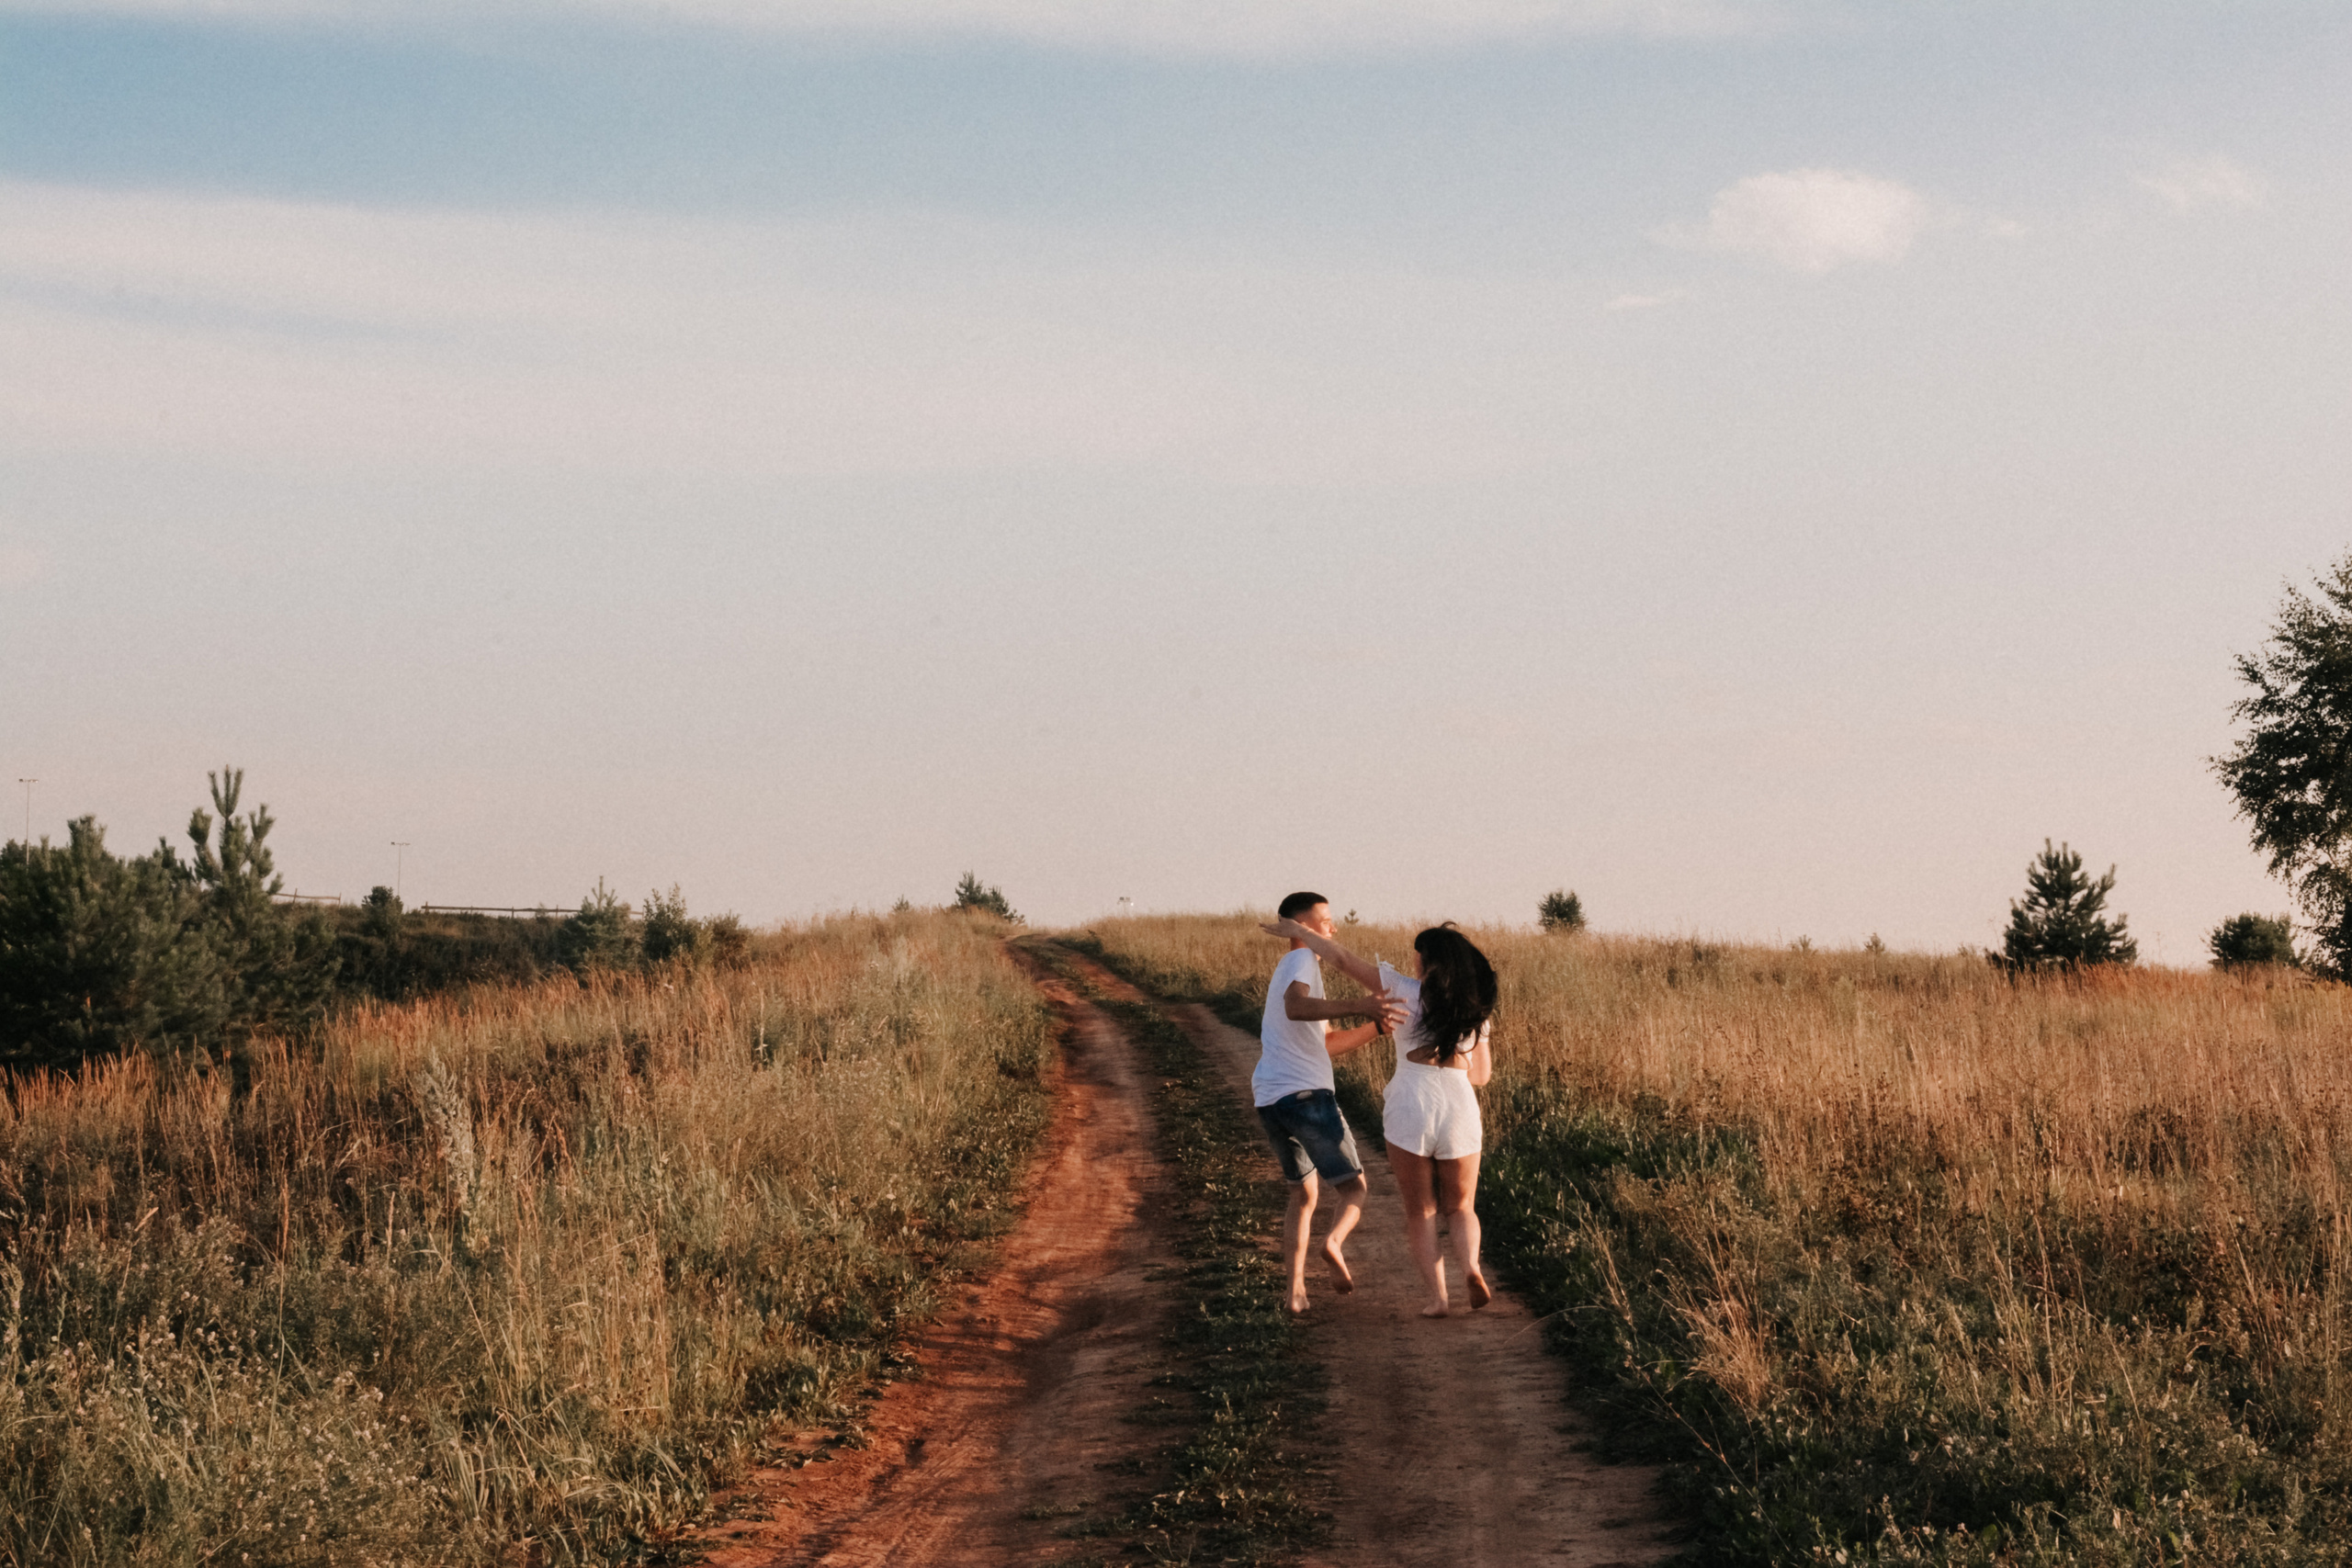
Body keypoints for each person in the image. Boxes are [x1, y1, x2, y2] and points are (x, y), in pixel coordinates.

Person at [1261, 917, 1498, 1317]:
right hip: (1459, 1104)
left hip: (1411, 1100)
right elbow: (1481, 1076)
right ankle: (1471, 1267)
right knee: (1461, 1207)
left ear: (1424, 960)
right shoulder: (1475, 1012)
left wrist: (1302, 933)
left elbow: (1342, 960)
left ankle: (1438, 1299)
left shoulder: (1401, 989)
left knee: (1421, 1210)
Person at [1254, 891, 1400, 1314]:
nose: (1333, 929)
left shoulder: (1290, 967)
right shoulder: (1301, 959)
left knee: (1302, 1195)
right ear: (1301, 928)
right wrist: (1361, 1003)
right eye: (1325, 921)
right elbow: (1297, 1007)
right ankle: (1333, 1244)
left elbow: (1327, 1043)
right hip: (1306, 1096)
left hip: (1271, 1098)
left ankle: (1295, 1293)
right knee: (1354, 1189)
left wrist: (1375, 1027)